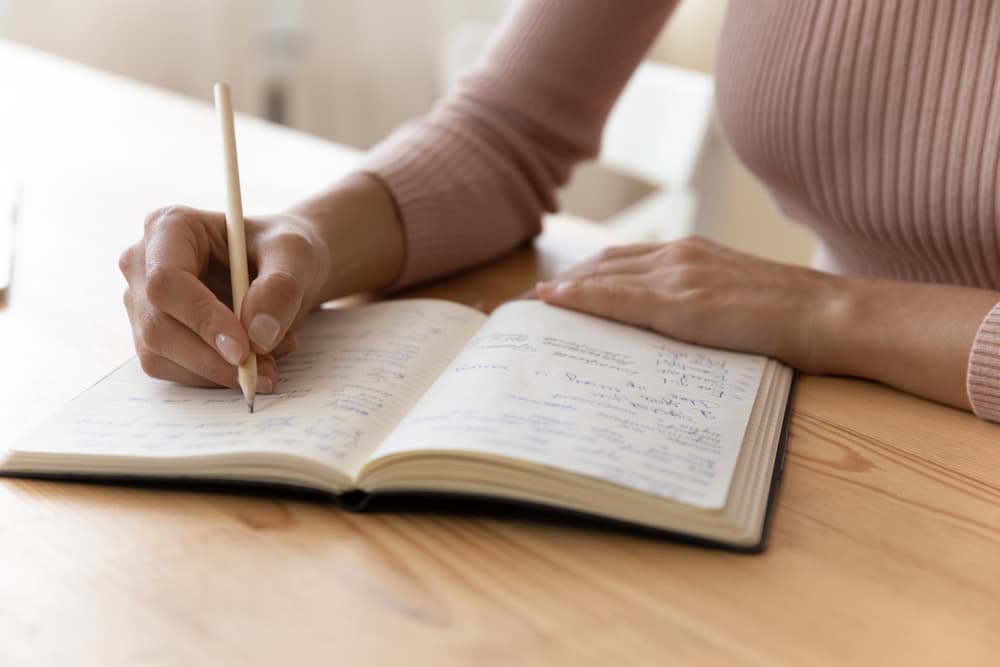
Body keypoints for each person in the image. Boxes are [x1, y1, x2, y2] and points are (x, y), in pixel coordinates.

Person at [119, 0, 1000, 423]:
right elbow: (509, 130)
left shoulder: (823, 320)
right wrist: (304, 240)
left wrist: (829, 310)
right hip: (854, 425)